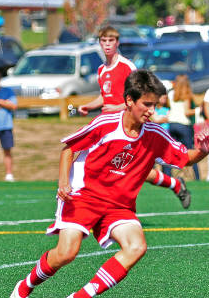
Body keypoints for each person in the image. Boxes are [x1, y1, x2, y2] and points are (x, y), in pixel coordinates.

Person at [4, 70, 209, 298]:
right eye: (147, 104)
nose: (152, 110)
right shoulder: (106, 124)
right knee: (66, 253)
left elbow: (185, 158)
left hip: (118, 205)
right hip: (84, 195)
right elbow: (69, 149)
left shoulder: (155, 134)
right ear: (129, 101)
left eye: (155, 105)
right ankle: (20, 292)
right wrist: (63, 182)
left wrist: (203, 150)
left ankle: (82, 297)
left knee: (136, 247)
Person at [77, 25, 190, 208]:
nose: (107, 44)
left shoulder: (126, 66)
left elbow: (140, 96)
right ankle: (174, 185)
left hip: (127, 125)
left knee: (131, 168)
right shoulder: (101, 70)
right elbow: (104, 96)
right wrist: (88, 106)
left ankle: (109, 206)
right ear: (99, 43)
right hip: (107, 126)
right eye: (104, 41)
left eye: (111, 40)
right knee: (122, 167)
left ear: (117, 42)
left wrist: (116, 107)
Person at [168, 75, 200, 180]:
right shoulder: (186, 95)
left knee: (171, 152)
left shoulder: (171, 94)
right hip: (183, 125)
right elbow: (186, 112)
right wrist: (198, 110)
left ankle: (168, 176)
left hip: (172, 124)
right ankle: (197, 177)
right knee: (191, 152)